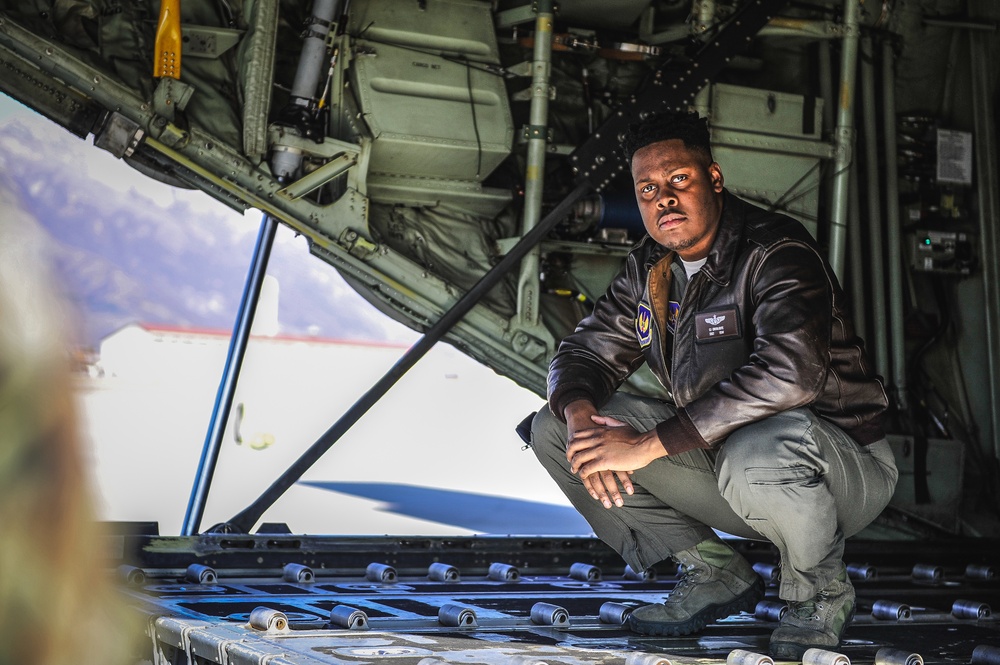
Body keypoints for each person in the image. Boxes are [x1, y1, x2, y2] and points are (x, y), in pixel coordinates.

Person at [531, 111, 898, 658]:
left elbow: (790, 373)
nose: (665, 200)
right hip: (727, 467)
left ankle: (820, 591)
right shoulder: (650, 269)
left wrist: (647, 447)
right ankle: (714, 572)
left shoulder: (776, 252)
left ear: (715, 178)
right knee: (555, 431)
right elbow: (583, 352)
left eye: (679, 180)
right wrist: (581, 412)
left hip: (840, 470)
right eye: (648, 189)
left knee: (760, 449)